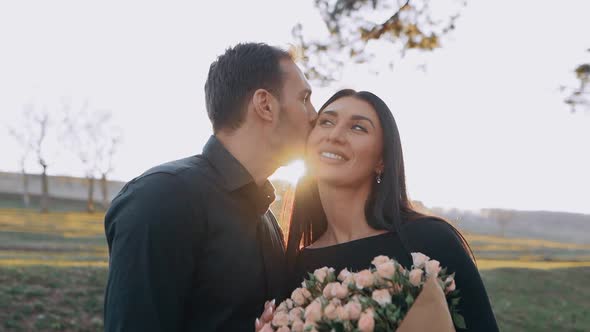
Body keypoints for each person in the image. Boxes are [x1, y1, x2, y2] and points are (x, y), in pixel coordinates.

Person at [103, 42, 317, 331]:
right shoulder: (161, 199)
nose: (314, 115)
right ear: (265, 104)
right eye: (304, 98)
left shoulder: (267, 219)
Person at [257, 89, 498, 331]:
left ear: (381, 160)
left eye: (358, 128)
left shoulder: (432, 241)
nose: (335, 135)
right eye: (326, 122)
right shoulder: (297, 267)